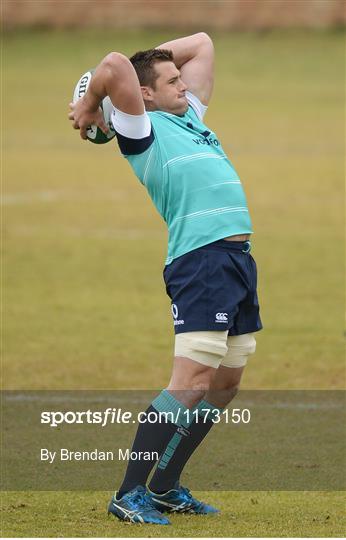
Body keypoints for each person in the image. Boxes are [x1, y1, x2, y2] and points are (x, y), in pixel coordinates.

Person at [69, 32, 262, 525]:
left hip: (237, 260)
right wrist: (91, 102)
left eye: (181, 79)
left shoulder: (187, 116)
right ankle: (127, 492)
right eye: (171, 81)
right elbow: (114, 64)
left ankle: (165, 486)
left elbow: (202, 43)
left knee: (225, 381)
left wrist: (149, 62)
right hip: (200, 261)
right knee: (192, 381)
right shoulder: (141, 129)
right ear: (145, 94)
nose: (183, 83)